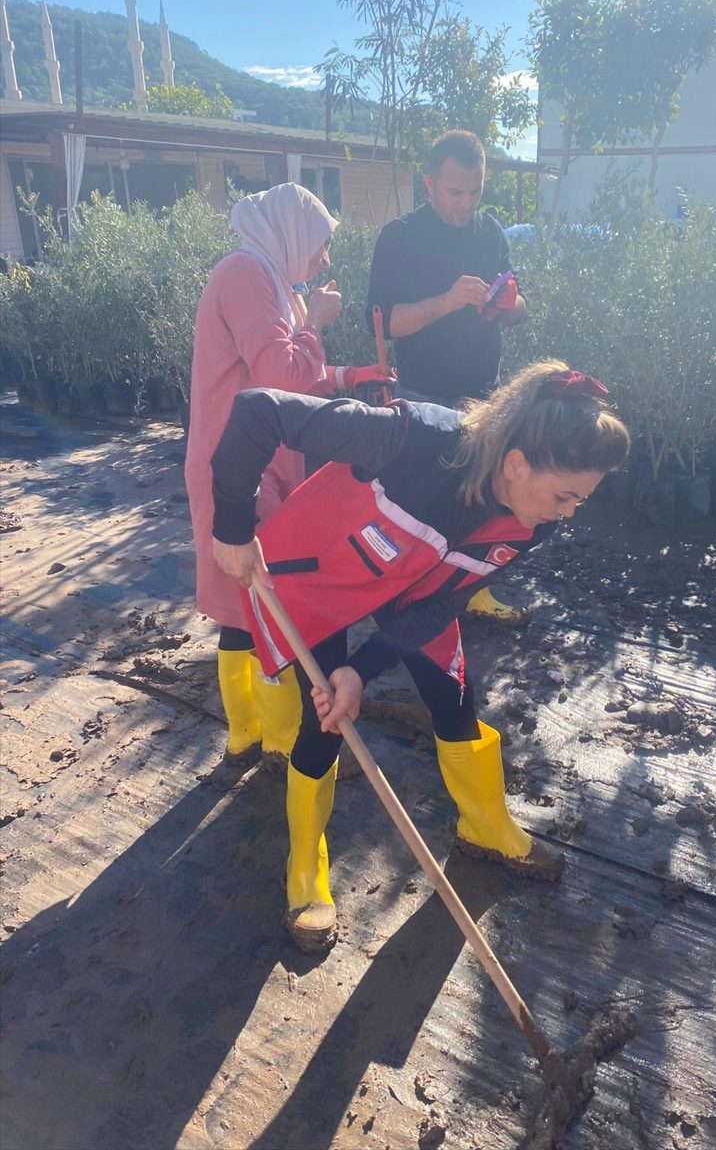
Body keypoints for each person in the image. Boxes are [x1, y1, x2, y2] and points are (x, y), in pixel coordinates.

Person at [210, 360, 630, 952]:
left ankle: (484, 826)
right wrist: (231, 527)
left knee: (455, 702)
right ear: (516, 464)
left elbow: (441, 606)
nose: (567, 514)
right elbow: (258, 409)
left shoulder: (531, 523)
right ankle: (305, 869)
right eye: (564, 495)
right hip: (321, 575)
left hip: (415, 587)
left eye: (579, 501)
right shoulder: (408, 440)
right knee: (326, 720)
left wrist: (364, 668)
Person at [185, 182, 388, 771]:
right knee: (268, 602)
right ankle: (273, 739)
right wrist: (314, 317)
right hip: (240, 468)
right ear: (294, 233)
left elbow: (299, 375)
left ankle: (247, 734)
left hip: (249, 460)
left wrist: (353, 376)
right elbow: (285, 374)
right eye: (322, 244)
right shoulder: (247, 273)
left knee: (242, 600)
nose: (325, 259)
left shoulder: (266, 278)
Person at [366, 129, 527, 623]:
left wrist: (509, 305)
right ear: (429, 183)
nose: (465, 203)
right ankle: (409, 595)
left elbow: (519, 308)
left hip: (484, 394)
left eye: (475, 191)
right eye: (455, 191)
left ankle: (469, 588)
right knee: (422, 502)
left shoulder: (491, 233)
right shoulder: (401, 237)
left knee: (481, 498)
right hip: (422, 394)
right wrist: (446, 300)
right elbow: (387, 322)